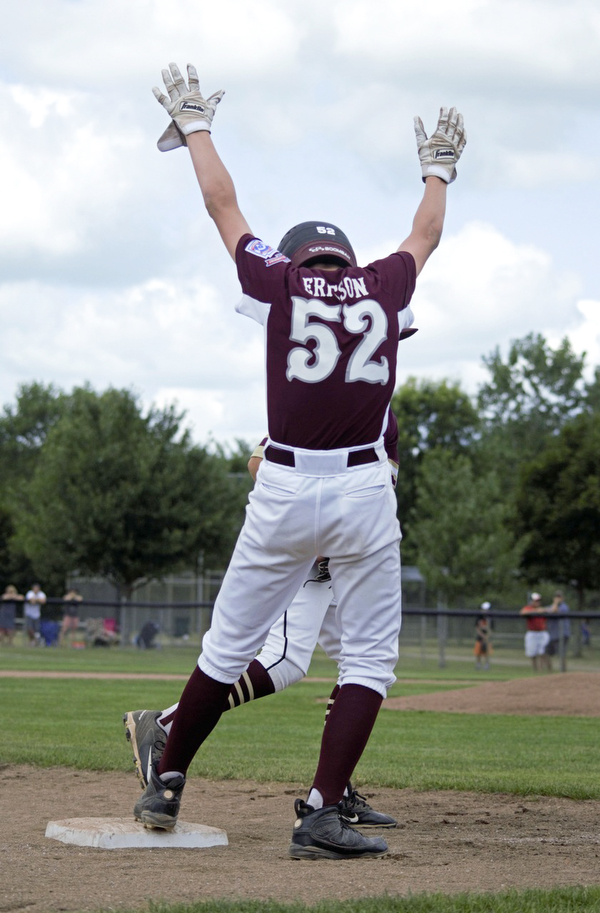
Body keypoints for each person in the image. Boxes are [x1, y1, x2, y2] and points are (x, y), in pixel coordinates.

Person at [131, 61, 466, 860]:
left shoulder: (279, 285)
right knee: (371, 657)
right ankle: (320, 808)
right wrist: (439, 170)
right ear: (346, 259)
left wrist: (197, 127)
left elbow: (223, 205)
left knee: (225, 644)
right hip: (363, 487)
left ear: (298, 257)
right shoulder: (383, 287)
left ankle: (166, 780)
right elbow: (426, 234)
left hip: (280, 483)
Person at [124, 408, 403, 831]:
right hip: (305, 555)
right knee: (286, 659)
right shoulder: (327, 404)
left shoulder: (385, 418)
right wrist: (315, 527)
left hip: (342, 561)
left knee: (355, 665)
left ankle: (337, 789)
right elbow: (259, 462)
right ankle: (166, 722)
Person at [519, 592, 550, 672]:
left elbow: (553, 610)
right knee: (532, 653)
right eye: (535, 601)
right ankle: (535, 670)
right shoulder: (529, 608)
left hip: (542, 633)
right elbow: (522, 612)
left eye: (538, 601)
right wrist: (536, 611)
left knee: (543, 652)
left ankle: (543, 670)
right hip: (532, 633)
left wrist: (543, 610)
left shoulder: (542, 609)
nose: (537, 602)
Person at [545, 590, 571, 670]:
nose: (558, 599)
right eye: (556, 597)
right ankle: (550, 673)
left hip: (563, 634)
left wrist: (556, 603)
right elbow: (545, 610)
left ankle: (563, 672)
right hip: (553, 635)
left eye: (559, 597)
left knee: (561, 654)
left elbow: (554, 611)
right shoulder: (551, 606)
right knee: (546, 652)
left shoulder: (564, 606)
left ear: (563, 598)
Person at [473, 602, 492, 671]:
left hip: (487, 638)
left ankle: (487, 664)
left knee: (486, 652)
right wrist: (482, 635)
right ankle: (478, 664)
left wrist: (487, 636)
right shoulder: (479, 617)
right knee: (478, 652)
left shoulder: (490, 618)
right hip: (479, 637)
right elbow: (477, 628)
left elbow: (491, 629)